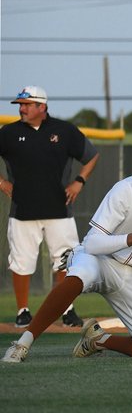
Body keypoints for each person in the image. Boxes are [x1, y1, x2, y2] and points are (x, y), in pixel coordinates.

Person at [3, 134, 132, 363]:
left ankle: (97, 340)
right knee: (82, 273)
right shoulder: (128, 189)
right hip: (100, 259)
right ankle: (22, 344)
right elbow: (91, 242)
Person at [1, 85, 99, 328]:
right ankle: (23, 311)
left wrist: (79, 181)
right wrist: (2, 182)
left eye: (26, 104)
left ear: (41, 107)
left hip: (59, 209)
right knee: (21, 262)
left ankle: (67, 310)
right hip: (22, 210)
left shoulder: (64, 130)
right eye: (20, 105)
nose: (21, 109)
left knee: (66, 260)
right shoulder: (9, 132)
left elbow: (91, 155)